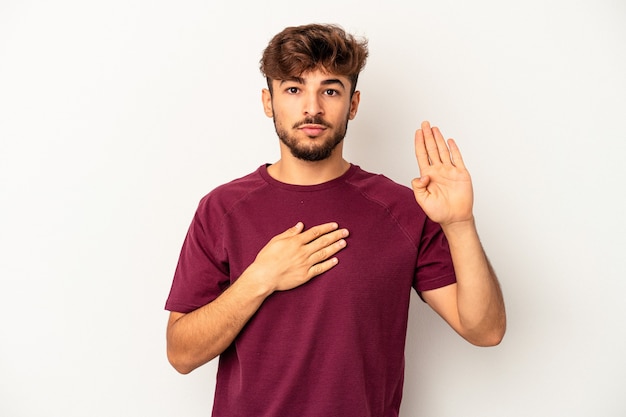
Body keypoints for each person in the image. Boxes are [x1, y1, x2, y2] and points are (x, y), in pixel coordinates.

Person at [165, 23, 506, 417]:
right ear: (268, 101)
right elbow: (181, 354)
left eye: (330, 90)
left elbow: (485, 330)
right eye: (294, 89)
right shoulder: (221, 209)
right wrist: (260, 279)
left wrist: (460, 224)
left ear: (354, 103)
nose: (312, 108)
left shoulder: (405, 209)